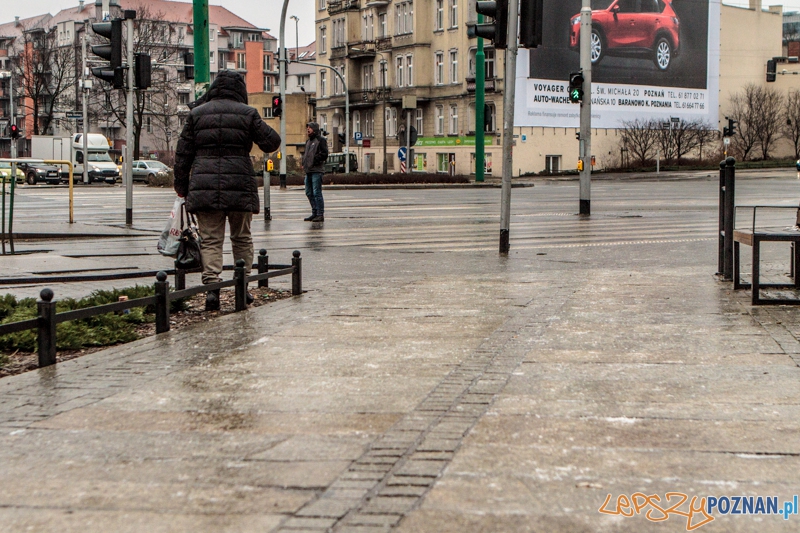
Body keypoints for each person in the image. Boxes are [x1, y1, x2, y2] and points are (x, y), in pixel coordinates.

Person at [174, 70, 281, 311]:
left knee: (210, 240)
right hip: (239, 184)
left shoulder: (197, 114)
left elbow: (183, 155)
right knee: (241, 237)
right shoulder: (248, 113)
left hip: (204, 185)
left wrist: (181, 186)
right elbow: (272, 142)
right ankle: (242, 285)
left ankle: (212, 288)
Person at [302, 122, 329, 222]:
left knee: (317, 192)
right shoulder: (308, 141)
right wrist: (304, 163)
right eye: (307, 127)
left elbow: (324, 154)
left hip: (317, 170)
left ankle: (320, 214)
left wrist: (314, 160)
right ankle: (314, 212)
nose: (308, 129)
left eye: (310, 128)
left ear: (315, 129)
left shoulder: (320, 140)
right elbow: (306, 154)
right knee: (309, 192)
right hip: (308, 170)